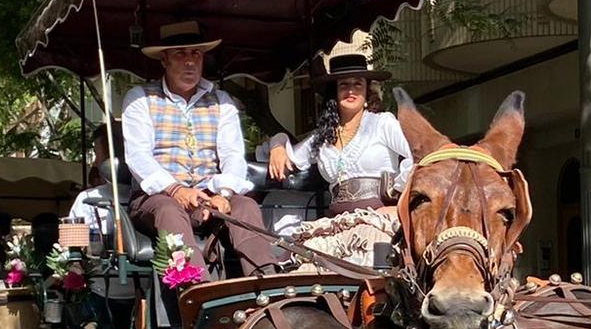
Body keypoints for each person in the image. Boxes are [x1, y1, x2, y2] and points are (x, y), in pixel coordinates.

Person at [119, 19, 276, 276]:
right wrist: (176, 189)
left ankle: (267, 284)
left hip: (209, 194)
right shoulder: (140, 98)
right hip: (157, 199)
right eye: (181, 54)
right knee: (169, 210)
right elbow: (138, 157)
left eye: (196, 54)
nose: (190, 61)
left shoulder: (222, 101)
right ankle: (197, 292)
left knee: (246, 207)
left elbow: (234, 156)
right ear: (164, 60)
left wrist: (223, 196)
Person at [266, 34, 414, 266]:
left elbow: (419, 155)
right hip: (337, 223)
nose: (351, 90)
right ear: (334, 93)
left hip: (379, 221)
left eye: (358, 84)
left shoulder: (383, 123)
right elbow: (289, 156)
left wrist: (399, 201)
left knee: (379, 273)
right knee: (304, 265)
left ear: (367, 91)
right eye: (344, 85)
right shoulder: (323, 137)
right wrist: (277, 144)